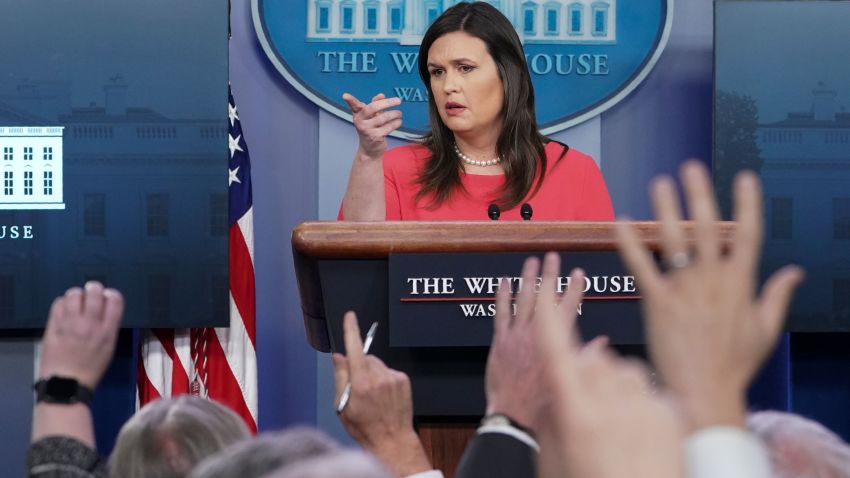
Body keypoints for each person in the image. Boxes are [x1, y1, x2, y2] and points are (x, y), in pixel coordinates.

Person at [340, 2, 613, 221]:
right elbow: (356, 264)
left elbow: (602, 281)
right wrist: (368, 156)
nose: (448, 86)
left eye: (465, 68)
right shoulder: (394, 168)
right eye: (437, 72)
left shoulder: (576, 172)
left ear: (509, 75)